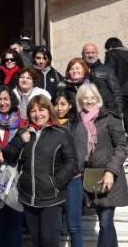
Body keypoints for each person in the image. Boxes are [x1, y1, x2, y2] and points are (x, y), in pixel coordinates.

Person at [3, 95, 77, 247]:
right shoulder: (23, 133)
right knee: (36, 239)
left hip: (51, 196)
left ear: (49, 111)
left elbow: (71, 161)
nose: (37, 114)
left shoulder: (60, 133)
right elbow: (8, 156)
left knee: (48, 239)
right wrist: (19, 140)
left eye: (42, 110)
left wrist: (56, 182)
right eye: (33, 111)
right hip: (28, 195)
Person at [76, 83, 128, 247]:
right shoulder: (77, 121)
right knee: (105, 222)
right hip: (90, 178)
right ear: (80, 99)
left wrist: (110, 171)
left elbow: (121, 146)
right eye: (85, 98)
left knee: (105, 222)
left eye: (92, 97)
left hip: (109, 176)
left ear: (98, 99)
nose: (88, 101)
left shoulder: (109, 118)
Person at [0, 86, 27, 247]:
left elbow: (24, 145)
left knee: (14, 222)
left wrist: (6, 154)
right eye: (0, 99)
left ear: (12, 101)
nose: (3, 103)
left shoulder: (22, 121)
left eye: (6, 99)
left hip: (15, 176)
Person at [54, 91, 87, 247]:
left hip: (72, 181)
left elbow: (80, 157)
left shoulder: (77, 126)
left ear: (70, 105)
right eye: (56, 104)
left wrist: (63, 174)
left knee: (74, 226)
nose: (58, 108)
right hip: (52, 182)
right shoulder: (49, 125)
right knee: (53, 226)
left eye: (62, 104)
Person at [105, 37, 128, 167]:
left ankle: (117, 153)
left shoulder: (112, 55)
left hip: (118, 97)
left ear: (109, 47)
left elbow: (108, 75)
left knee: (113, 125)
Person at [82, 43, 123, 115]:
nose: (90, 55)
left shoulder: (107, 69)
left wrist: (118, 113)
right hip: (85, 113)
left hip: (105, 113)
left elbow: (116, 92)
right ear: (83, 54)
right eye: (87, 53)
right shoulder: (79, 71)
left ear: (97, 53)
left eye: (93, 52)